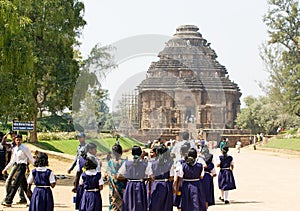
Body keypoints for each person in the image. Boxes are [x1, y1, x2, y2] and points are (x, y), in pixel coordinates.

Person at [2, 134, 35, 207]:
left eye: (19, 140)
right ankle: (33, 201)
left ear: (21, 140)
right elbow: (13, 160)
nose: (18, 141)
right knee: (24, 185)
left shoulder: (25, 148)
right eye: (17, 140)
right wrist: (6, 169)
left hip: (22, 167)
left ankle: (8, 200)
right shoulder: (15, 149)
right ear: (15, 140)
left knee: (15, 184)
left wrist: (37, 166)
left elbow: (30, 158)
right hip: (17, 166)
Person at [118, 146, 149, 211]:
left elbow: (119, 176)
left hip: (130, 185)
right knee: (140, 205)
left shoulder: (127, 163)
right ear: (141, 153)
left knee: (129, 204)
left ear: (132, 153)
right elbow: (150, 176)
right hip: (140, 186)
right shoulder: (145, 163)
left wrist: (128, 177)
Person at [148, 144, 173, 211]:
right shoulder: (170, 163)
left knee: (155, 205)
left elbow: (150, 176)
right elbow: (171, 176)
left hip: (155, 184)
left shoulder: (152, 163)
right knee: (166, 205)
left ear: (157, 152)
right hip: (166, 185)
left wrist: (150, 188)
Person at [106, 143, 127, 211]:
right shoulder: (125, 162)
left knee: (114, 206)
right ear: (121, 152)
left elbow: (106, 175)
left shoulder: (110, 163)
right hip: (123, 189)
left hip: (113, 191)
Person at [173, 143, 190, 211]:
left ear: (181, 152)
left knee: (180, 202)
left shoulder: (179, 162)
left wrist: (175, 186)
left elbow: (177, 177)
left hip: (182, 183)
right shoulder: (193, 162)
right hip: (191, 183)